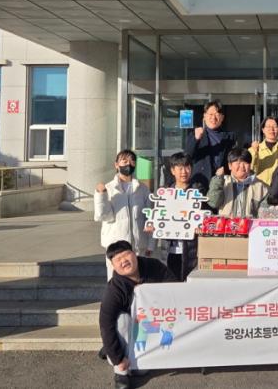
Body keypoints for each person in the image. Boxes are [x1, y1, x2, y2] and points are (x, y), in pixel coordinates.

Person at [99, 240, 177, 389]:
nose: (124, 261)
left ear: (134, 254)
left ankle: (112, 348)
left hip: (152, 323)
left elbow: (174, 288)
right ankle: (120, 373)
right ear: (113, 265)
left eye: (126, 255)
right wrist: (118, 359)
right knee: (121, 320)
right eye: (118, 259)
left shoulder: (154, 266)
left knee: (141, 371)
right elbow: (105, 324)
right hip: (130, 325)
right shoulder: (115, 288)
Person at [94, 149, 152, 279]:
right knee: (117, 282)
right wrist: (101, 195)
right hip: (116, 248)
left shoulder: (143, 189)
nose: (128, 164)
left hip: (138, 246)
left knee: (139, 281)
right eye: (124, 161)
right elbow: (103, 216)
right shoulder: (109, 188)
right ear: (116, 165)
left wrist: (151, 244)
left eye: (132, 161)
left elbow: (150, 217)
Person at [162, 152, 201, 281]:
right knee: (172, 282)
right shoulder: (165, 193)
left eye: (187, 167)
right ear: (173, 170)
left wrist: (199, 226)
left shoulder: (197, 192)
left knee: (190, 282)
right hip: (170, 249)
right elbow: (159, 216)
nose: (184, 172)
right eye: (180, 168)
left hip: (191, 249)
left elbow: (203, 216)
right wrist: (155, 226)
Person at [184, 100, 236, 191]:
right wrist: (196, 139)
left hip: (222, 183)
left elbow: (233, 159)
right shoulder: (196, 134)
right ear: (204, 116)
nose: (213, 117)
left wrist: (225, 170)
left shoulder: (230, 136)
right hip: (200, 183)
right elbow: (188, 156)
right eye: (210, 114)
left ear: (222, 117)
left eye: (217, 114)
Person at [207, 147, 269, 217]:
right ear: (230, 166)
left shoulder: (260, 186)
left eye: (245, 163)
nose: (242, 166)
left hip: (250, 223)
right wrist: (218, 180)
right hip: (226, 223)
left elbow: (266, 212)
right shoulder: (222, 181)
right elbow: (213, 203)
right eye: (238, 163)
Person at [250, 116, 278, 186]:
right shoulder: (254, 149)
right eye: (268, 127)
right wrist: (255, 153)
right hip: (259, 188)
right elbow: (250, 170)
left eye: (275, 126)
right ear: (263, 129)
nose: (271, 129)